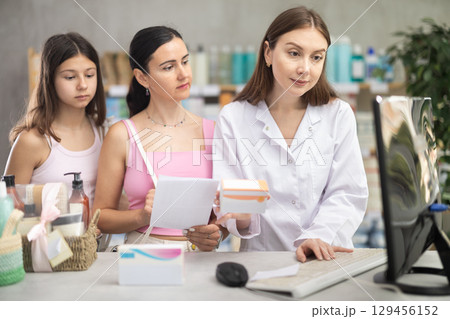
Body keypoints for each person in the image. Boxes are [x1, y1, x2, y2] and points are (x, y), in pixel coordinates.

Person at [213, 7, 368, 262]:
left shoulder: (338, 114)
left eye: (316, 57)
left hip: (324, 258)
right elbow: (237, 210)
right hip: (261, 262)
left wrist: (319, 235)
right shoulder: (233, 118)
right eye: (294, 53)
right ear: (268, 53)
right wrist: (237, 214)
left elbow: (348, 193)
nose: (305, 69)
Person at [93, 26, 223, 251]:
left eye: (185, 61)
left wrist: (218, 232)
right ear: (142, 77)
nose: (183, 74)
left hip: (201, 260)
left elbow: (222, 214)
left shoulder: (213, 131)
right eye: (169, 67)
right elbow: (99, 218)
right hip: (147, 256)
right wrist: (142, 217)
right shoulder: (122, 135)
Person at [4, 32, 106, 209]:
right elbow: (7, 210)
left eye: (89, 75)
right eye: (70, 77)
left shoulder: (105, 131)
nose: (82, 85)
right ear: (49, 80)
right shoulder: (32, 140)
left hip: (98, 237)